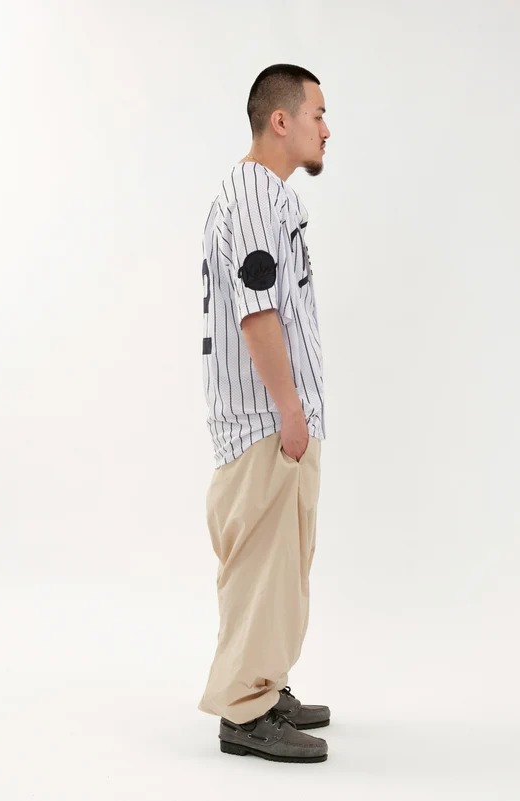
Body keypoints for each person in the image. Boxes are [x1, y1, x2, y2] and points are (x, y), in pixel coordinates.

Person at [198, 63, 331, 763]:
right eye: (317, 114)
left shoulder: (267, 196)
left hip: (275, 420)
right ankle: (244, 715)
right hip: (264, 423)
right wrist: (289, 411)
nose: (325, 129)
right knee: (261, 569)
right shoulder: (253, 194)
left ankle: (264, 684)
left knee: (280, 570)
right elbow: (257, 313)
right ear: (281, 120)